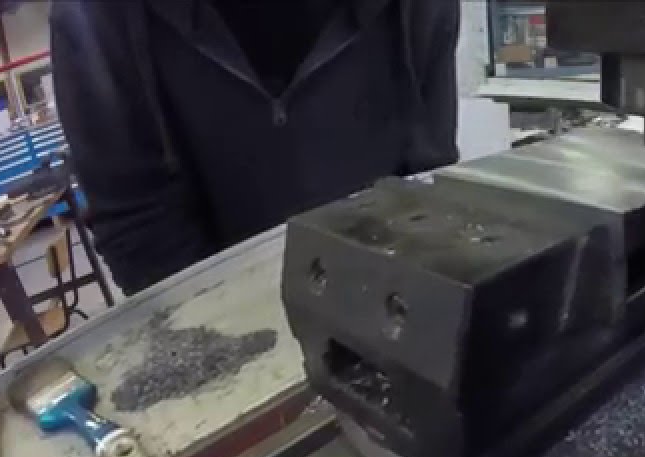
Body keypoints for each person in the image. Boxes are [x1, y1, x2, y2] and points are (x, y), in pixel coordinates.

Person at [50, 0, 460, 295]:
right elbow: (140, 228)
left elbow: (427, 179)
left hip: (393, 298)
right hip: (216, 321)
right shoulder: (95, 16)